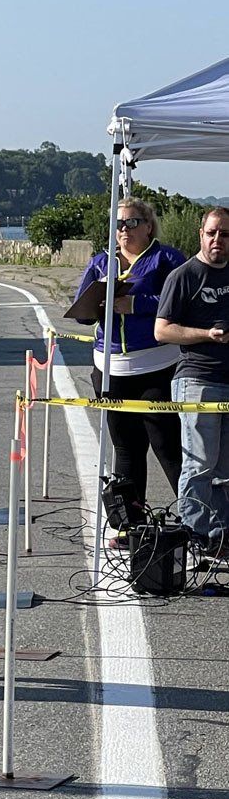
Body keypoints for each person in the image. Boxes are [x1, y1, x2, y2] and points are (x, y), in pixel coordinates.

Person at [73, 197, 184, 516]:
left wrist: (137, 304)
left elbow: (182, 300)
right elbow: (81, 314)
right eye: (118, 224)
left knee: (168, 447)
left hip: (158, 364)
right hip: (109, 368)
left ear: (148, 226)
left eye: (132, 222)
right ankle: (130, 526)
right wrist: (97, 303)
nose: (124, 229)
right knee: (126, 449)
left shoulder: (167, 259)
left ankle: (197, 524)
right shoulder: (100, 262)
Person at [155, 207, 229, 555]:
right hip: (198, 379)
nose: (218, 240)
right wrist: (206, 334)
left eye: (225, 234)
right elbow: (162, 330)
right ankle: (195, 535)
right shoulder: (184, 276)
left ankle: (221, 535)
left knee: (225, 466)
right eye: (212, 233)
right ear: (201, 234)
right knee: (200, 463)